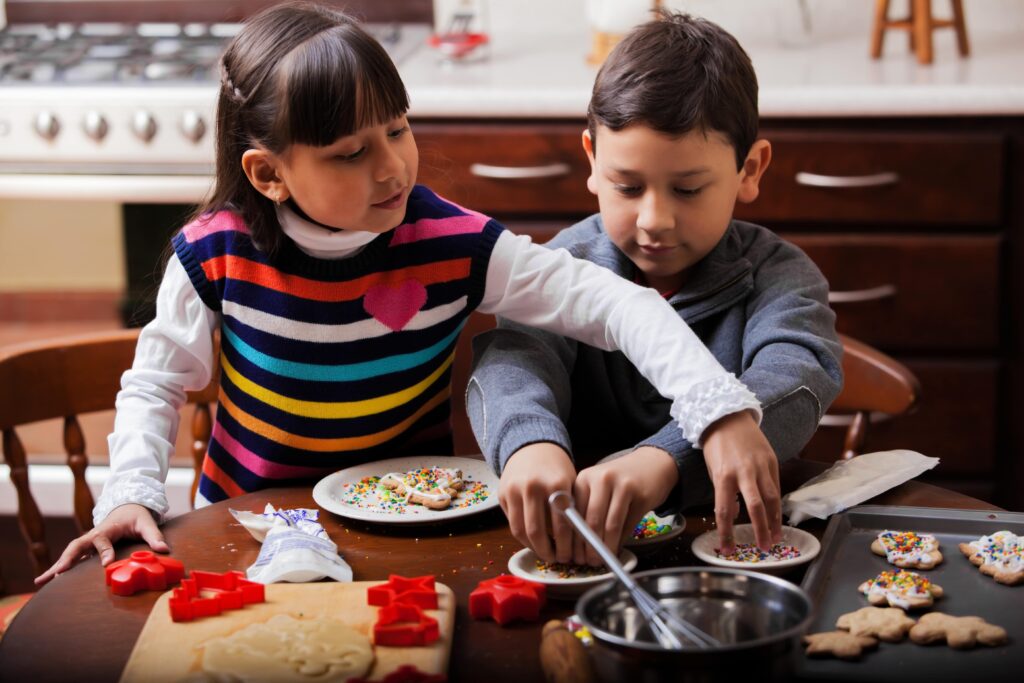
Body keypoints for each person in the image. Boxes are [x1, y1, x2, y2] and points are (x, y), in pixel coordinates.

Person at [35, 3, 769, 585]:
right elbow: (155, 383)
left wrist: (716, 408)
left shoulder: (458, 245)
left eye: (398, 128)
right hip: (244, 530)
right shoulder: (214, 256)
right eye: (352, 153)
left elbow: (618, 303)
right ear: (268, 174)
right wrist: (131, 493)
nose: (393, 169)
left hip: (409, 536)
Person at [468, 11, 843, 566]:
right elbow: (515, 362)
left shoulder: (780, 276)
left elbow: (796, 377)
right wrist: (529, 444)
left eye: (688, 189)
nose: (654, 219)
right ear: (592, 161)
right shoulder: (562, 268)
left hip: (732, 552)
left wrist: (662, 460)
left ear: (750, 169)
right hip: (579, 550)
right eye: (628, 186)